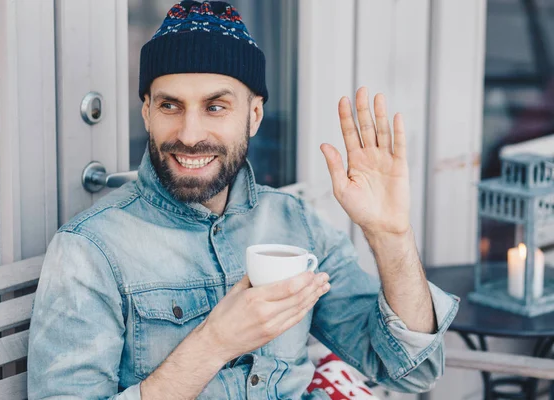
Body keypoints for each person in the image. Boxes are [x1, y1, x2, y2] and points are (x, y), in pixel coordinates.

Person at [27, 1, 459, 399]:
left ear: (253, 115)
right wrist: (214, 343)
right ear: (147, 112)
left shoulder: (295, 224)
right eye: (170, 106)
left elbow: (410, 370)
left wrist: (391, 236)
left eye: (215, 107)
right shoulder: (90, 248)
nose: (190, 134)